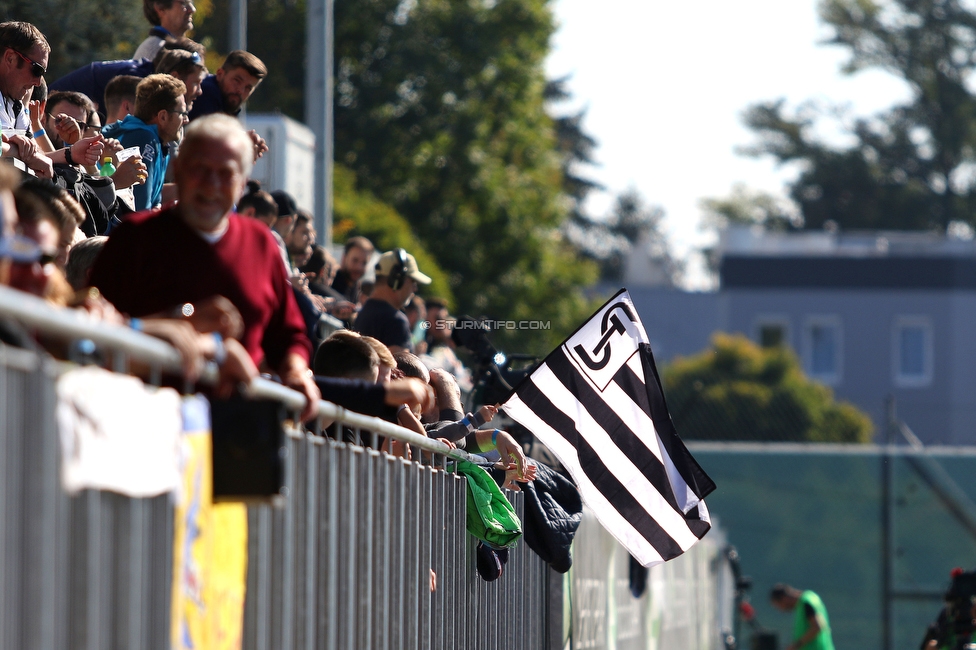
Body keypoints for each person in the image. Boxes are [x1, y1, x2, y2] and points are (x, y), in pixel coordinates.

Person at [89, 113, 321, 420]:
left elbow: (289, 335)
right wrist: (183, 319)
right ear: (180, 171)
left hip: (238, 438)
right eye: (200, 170)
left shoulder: (261, 244)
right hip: (144, 428)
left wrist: (297, 371)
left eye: (225, 174)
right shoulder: (134, 238)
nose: (211, 185)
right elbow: (92, 326)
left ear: (242, 185)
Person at [102, 74, 187, 212]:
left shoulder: (157, 141)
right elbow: (139, 210)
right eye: (182, 113)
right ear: (163, 116)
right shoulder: (144, 139)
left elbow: (155, 202)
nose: (186, 120)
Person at [353, 248, 431, 354]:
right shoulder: (396, 321)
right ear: (397, 280)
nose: (415, 288)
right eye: (412, 281)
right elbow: (401, 370)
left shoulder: (363, 312)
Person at [188, 49, 265, 120]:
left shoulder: (228, 103)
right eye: (237, 81)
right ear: (220, 74)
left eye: (248, 88)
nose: (241, 91)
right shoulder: (207, 91)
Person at [770, 584, 835, 650]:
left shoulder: (806, 602)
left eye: (779, 606)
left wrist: (796, 645)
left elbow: (817, 626)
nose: (782, 610)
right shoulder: (811, 597)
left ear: (784, 599)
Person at [331, 235, 374, 304]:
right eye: (355, 260)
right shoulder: (330, 282)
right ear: (344, 258)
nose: (359, 267)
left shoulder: (356, 288)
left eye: (364, 263)